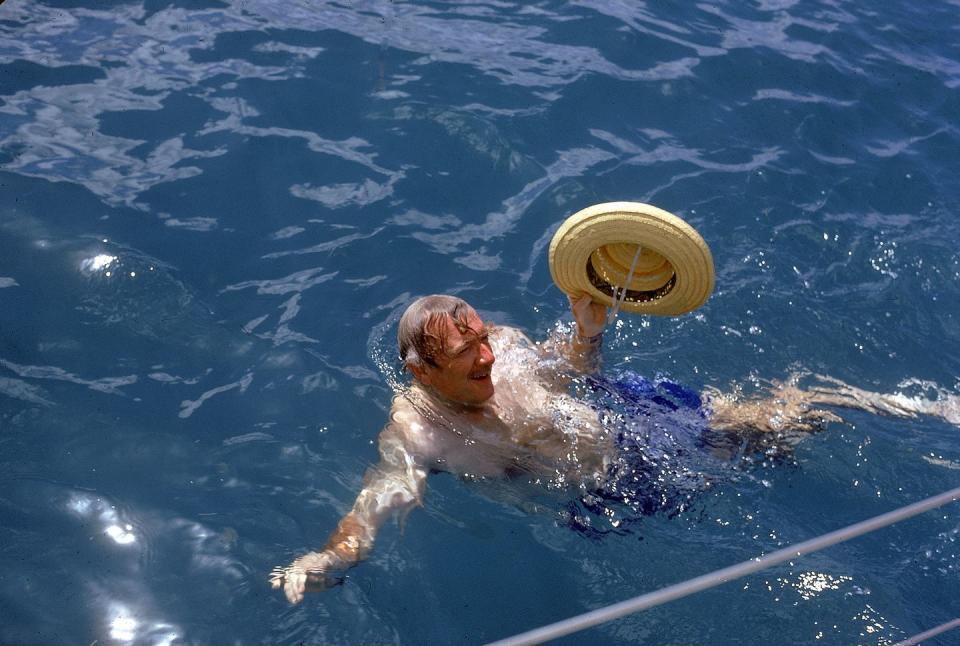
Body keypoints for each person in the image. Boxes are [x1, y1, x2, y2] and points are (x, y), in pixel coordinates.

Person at [271, 293, 959, 603]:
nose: (488, 354)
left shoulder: (505, 348)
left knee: (787, 415)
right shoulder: (418, 431)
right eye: (466, 352)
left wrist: (586, 327)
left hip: (631, 421)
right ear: (423, 371)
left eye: (482, 335)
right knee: (749, 469)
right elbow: (377, 503)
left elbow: (578, 371)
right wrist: (323, 559)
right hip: (606, 497)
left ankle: (925, 409)